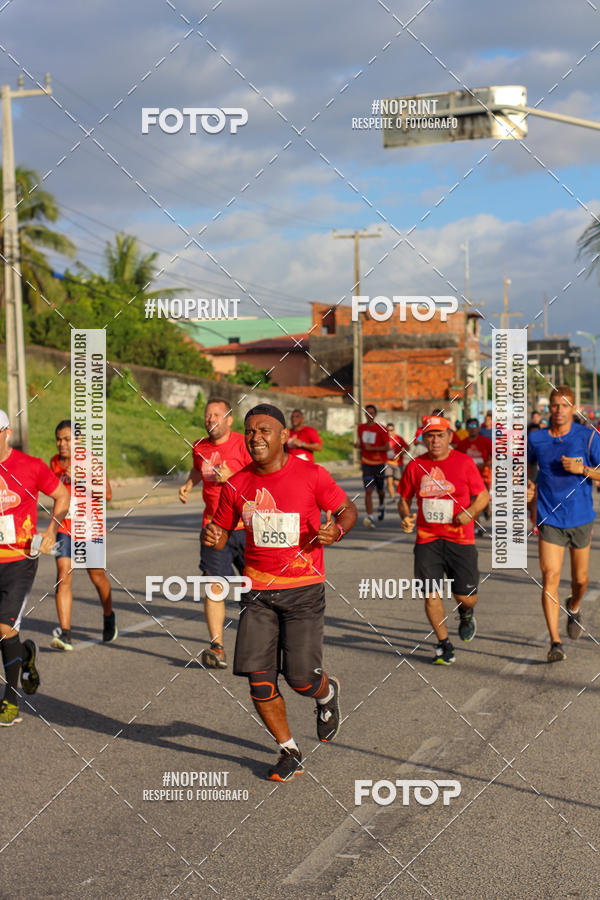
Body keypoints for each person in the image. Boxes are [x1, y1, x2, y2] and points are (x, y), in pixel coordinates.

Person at [203, 403, 357, 781]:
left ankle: (325, 693)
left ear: (284, 436)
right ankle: (288, 750)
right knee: (259, 679)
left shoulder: (312, 475)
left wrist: (335, 531)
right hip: (258, 592)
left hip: (303, 591)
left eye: (265, 430)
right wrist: (215, 537)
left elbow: (346, 510)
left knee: (301, 677)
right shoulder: (237, 484)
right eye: (251, 430)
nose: (256, 437)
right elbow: (222, 530)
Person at [398, 415, 489, 665]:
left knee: (466, 596)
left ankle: (466, 612)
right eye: (430, 436)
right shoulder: (415, 466)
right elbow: (404, 499)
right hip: (427, 539)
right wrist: (406, 516)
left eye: (440, 435)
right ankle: (443, 643)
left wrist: (469, 512)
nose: (435, 440)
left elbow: (482, 496)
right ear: (423, 438)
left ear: (450, 436)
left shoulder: (464, 462)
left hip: (461, 539)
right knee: (430, 593)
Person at [0, 410, 70, 725]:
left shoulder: (31, 466)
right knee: (6, 633)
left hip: (19, 560)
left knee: (4, 627)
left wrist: (52, 530)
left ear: (7, 433)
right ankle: (25, 655)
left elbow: (61, 495)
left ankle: (11, 700)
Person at [527, 386, 600, 662]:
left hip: (580, 518)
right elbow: (524, 467)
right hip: (549, 518)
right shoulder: (537, 439)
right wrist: (528, 486)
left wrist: (583, 469)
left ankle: (574, 604)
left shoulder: (589, 437)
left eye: (565, 405)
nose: (558, 411)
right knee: (550, 577)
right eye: (555, 405)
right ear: (549, 408)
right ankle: (555, 642)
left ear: (574, 408)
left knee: (580, 580)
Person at [180, 397, 251, 668]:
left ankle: (256, 643)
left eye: (216, 415)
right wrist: (188, 484)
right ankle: (217, 647)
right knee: (214, 586)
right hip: (213, 527)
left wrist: (233, 476)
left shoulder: (243, 444)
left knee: (253, 590)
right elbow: (198, 469)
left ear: (229, 419)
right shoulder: (200, 447)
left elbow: (260, 476)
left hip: (245, 527)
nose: (210, 420)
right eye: (208, 415)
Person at [49, 420, 117, 651]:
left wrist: (81, 479)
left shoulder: (90, 461)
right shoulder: (54, 463)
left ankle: (108, 614)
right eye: (59, 439)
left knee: (96, 576)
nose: (62, 444)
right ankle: (65, 634)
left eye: (67, 439)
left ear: (77, 440)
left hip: (90, 527)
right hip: (64, 527)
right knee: (63, 574)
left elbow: (107, 494)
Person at [456, 418, 493, 535]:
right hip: (468, 478)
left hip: (484, 476)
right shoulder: (462, 444)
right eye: (470, 428)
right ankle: (476, 526)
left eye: (475, 427)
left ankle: (486, 506)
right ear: (467, 429)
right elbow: (458, 460)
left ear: (478, 428)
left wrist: (486, 464)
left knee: (482, 500)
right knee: (473, 502)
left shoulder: (486, 441)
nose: (473, 430)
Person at [355, 404, 389, 528]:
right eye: (367, 413)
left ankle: (381, 504)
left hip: (379, 464)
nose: (369, 415)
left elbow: (387, 447)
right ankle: (370, 516)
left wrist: (373, 448)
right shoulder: (361, 428)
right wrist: (358, 446)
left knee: (380, 491)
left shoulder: (382, 428)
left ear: (375, 415)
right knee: (368, 491)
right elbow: (362, 443)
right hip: (366, 463)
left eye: (372, 413)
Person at [385, 423, 409, 501]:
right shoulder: (384, 439)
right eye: (387, 430)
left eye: (391, 430)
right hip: (387, 463)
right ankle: (392, 498)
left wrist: (400, 454)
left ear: (394, 430)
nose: (389, 432)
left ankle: (405, 495)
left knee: (396, 482)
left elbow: (407, 448)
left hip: (398, 463)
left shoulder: (399, 438)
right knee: (389, 481)